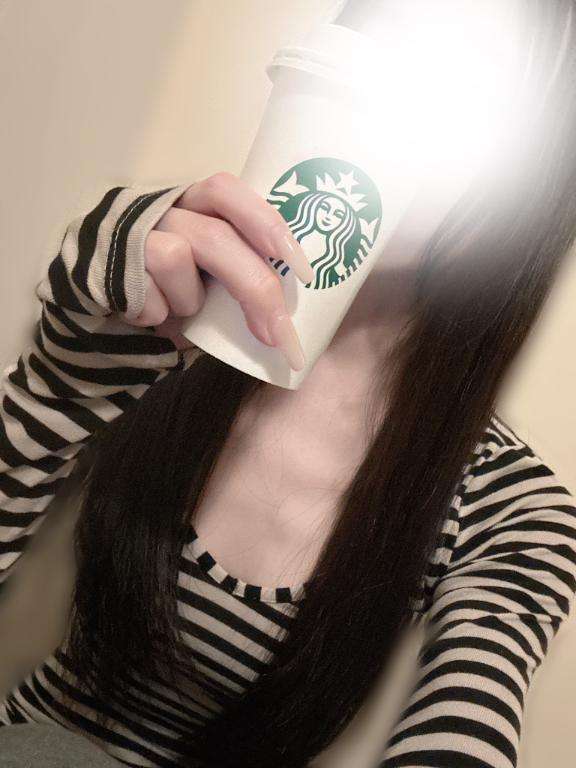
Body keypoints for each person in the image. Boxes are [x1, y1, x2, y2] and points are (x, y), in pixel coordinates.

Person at [1, 3, 576, 768]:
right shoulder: (157, 315)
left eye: (469, 83)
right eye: (396, 43)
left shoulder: (513, 510)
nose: (400, 100)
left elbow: (468, 720)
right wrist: (60, 373)